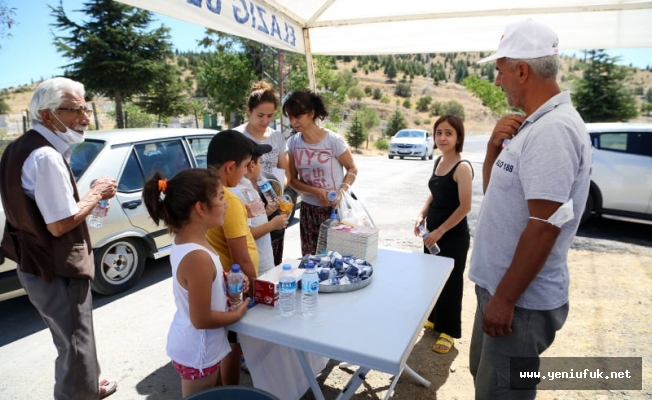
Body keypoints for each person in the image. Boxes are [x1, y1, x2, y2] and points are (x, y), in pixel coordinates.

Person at [469, 19, 591, 399]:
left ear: (521, 70)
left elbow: (544, 225)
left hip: (519, 301)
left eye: (500, 71)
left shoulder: (553, 130)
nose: (497, 80)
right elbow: (497, 198)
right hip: (501, 289)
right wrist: (492, 150)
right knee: (485, 378)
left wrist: (505, 299)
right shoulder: (534, 125)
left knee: (501, 394)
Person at [0, 77, 118, 399]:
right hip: (56, 269)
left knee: (70, 340)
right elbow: (60, 224)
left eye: (86, 109)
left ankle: (88, 386)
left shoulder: (19, 146)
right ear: (49, 115)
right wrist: (95, 194)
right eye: (77, 110)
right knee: (76, 344)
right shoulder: (46, 156)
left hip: (35, 264)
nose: (86, 118)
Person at [141, 168, 249, 397]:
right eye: (220, 198)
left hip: (201, 344)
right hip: (198, 350)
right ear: (200, 208)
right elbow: (201, 319)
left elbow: (204, 282)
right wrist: (237, 314)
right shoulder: (197, 257)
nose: (226, 204)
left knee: (215, 394)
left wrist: (228, 280)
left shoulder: (192, 243)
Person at [205, 129, 268, 385]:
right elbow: (240, 258)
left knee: (222, 344)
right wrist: (256, 288)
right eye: (244, 166)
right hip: (233, 288)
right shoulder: (228, 200)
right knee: (232, 345)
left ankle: (221, 389)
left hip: (216, 285)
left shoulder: (204, 190)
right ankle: (228, 391)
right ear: (230, 166)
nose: (245, 172)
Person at [414, 115, 473, 354]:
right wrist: (422, 214)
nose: (442, 137)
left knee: (451, 282)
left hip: (452, 235)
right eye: (439, 132)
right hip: (432, 234)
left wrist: (439, 231)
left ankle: (449, 331)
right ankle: (435, 319)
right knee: (433, 278)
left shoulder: (463, 167)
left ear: (458, 137)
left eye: (449, 133)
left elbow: (465, 207)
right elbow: (434, 193)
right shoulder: (438, 161)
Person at [282, 90, 358, 256]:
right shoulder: (293, 143)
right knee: (312, 259)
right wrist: (316, 192)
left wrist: (340, 192)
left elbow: (352, 168)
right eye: (290, 117)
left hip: (336, 210)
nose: (293, 122)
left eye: (297, 116)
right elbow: (292, 180)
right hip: (309, 211)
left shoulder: (333, 140)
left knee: (337, 260)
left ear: (311, 113)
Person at [234, 81, 290, 265]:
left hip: (272, 203)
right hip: (246, 204)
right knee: (251, 254)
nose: (265, 121)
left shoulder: (277, 137)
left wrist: (277, 193)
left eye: (270, 116)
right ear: (249, 110)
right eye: (260, 115)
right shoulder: (237, 137)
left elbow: (285, 172)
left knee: (272, 258)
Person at [234, 142, 289, 275]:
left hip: (263, 260)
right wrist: (272, 225)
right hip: (257, 267)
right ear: (252, 165)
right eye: (261, 163)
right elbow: (245, 235)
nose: (262, 168)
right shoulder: (240, 193)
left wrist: (267, 212)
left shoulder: (248, 187)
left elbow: (252, 220)